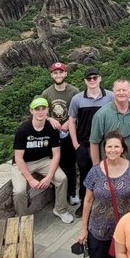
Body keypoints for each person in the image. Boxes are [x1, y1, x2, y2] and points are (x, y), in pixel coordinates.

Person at [12, 97, 75, 223]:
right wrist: (30, 179)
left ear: (47, 110)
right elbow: (18, 158)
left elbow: (56, 154)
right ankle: (22, 219)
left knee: (61, 179)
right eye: (37, 109)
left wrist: (49, 177)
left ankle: (60, 209)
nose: (40, 112)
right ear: (31, 111)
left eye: (43, 108)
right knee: (19, 191)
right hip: (24, 163)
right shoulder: (23, 130)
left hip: (44, 160)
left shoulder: (51, 129)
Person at [69, 67, 110, 203]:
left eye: (94, 78)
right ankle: (84, 203)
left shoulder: (110, 96)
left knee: (105, 173)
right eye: (89, 78)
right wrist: (75, 144)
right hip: (84, 143)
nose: (92, 80)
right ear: (85, 81)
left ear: (100, 78)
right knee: (85, 175)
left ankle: (103, 202)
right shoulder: (77, 99)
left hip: (104, 144)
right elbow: (72, 121)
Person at [41, 62, 79, 204]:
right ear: (52, 75)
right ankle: (57, 195)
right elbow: (42, 112)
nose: (58, 75)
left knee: (70, 165)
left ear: (65, 74)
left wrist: (68, 123)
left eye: (60, 72)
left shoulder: (74, 91)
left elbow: (77, 111)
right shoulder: (47, 93)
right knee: (55, 164)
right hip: (53, 135)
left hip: (70, 133)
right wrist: (50, 118)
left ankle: (72, 193)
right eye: (55, 73)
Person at [90, 79, 130, 165]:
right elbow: (94, 142)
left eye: (124, 90)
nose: (121, 93)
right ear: (113, 92)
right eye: (118, 90)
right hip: (109, 166)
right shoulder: (101, 114)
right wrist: (96, 167)